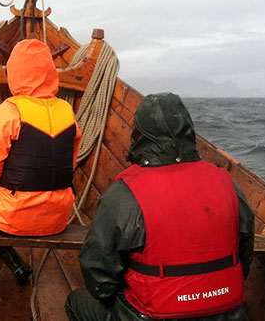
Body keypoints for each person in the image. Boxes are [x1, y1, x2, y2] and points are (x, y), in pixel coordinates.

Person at [65, 92, 254, 321]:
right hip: (230, 315)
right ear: (189, 131)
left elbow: (98, 277)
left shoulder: (124, 193)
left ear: (139, 136)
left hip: (151, 316)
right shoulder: (229, 185)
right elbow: (244, 256)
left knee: (76, 302)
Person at [0, 38, 81, 283]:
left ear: (14, 72)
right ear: (50, 73)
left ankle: (11, 261)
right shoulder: (67, 112)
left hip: (12, 216)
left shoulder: (9, 111)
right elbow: (69, 166)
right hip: (59, 217)